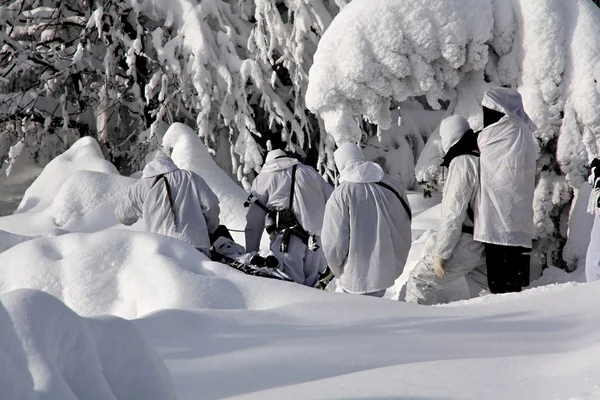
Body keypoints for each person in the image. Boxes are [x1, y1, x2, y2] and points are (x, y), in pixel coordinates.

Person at [405, 116, 488, 305]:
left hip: (465, 242)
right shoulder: (481, 158)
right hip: (486, 241)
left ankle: (419, 330)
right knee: (485, 294)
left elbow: (454, 212)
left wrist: (441, 253)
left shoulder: (461, 162)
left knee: (420, 281)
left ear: (448, 138)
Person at [321, 143, 412, 297]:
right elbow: (405, 219)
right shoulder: (392, 185)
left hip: (354, 276)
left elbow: (334, 241)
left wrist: (338, 269)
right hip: (386, 268)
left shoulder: (341, 194)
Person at [474, 87, 537, 293]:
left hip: (497, 219)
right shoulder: (525, 131)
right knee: (514, 284)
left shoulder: (502, 131)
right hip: (519, 220)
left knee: (500, 286)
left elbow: (476, 142)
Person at [244, 149, 333, 287]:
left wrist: (251, 253)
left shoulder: (265, 177)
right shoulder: (310, 172)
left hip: (286, 240)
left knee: (290, 285)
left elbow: (254, 223)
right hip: (315, 239)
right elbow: (333, 199)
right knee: (312, 285)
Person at [115, 155, 220, 256]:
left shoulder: (139, 187)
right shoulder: (190, 177)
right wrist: (211, 229)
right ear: (171, 165)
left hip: (162, 249)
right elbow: (211, 205)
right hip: (196, 245)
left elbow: (123, 217)